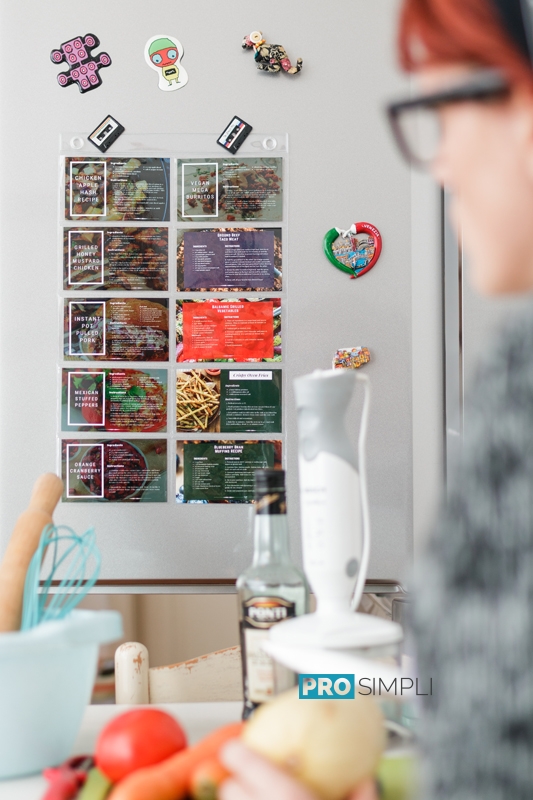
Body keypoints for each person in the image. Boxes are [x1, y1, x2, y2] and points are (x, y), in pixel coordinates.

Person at [221, 0, 533, 797]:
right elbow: (457, 697)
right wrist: (346, 690)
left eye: (441, 110)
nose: (437, 165)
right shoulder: (511, 368)